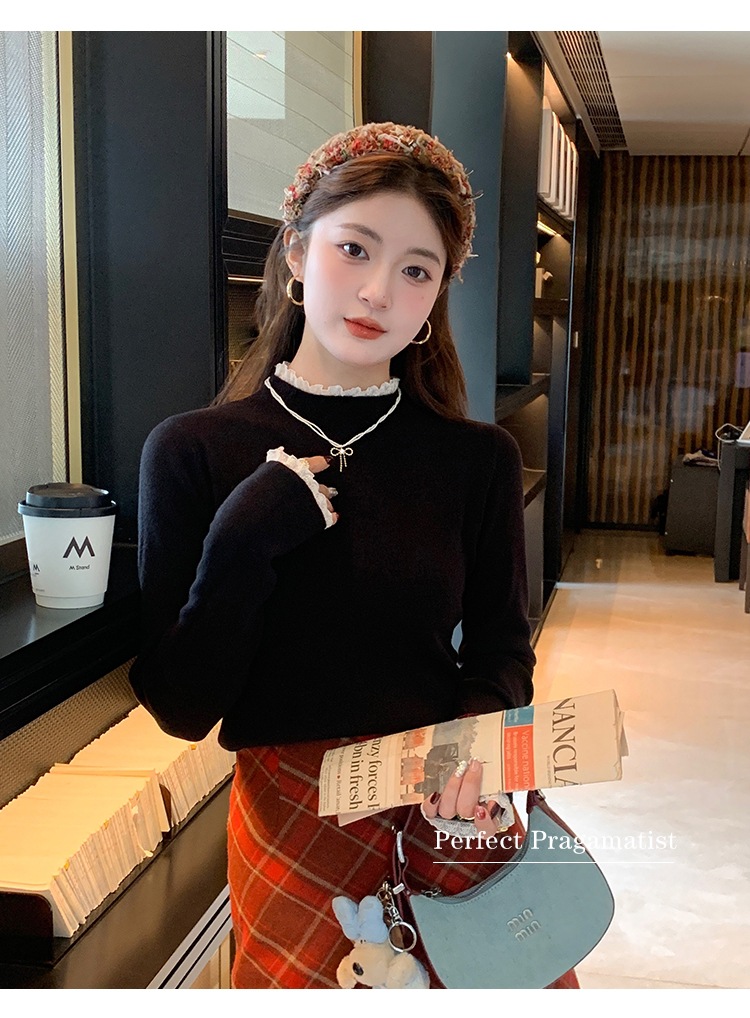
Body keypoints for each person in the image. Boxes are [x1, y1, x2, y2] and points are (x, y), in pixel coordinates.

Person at [128, 122, 579, 990]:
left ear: (437, 293)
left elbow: (500, 649)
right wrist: (244, 537)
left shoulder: (475, 458)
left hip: (441, 797)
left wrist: (474, 741)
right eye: (354, 249)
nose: (379, 291)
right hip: (290, 818)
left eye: (416, 270)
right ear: (298, 253)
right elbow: (182, 705)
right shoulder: (191, 451)